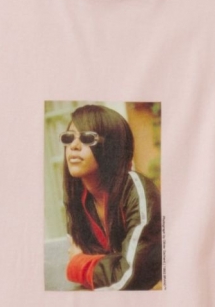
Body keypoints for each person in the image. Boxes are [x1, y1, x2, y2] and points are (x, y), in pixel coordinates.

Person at [60, 104, 162, 291]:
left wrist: (79, 265)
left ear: (111, 146)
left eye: (87, 138)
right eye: (68, 138)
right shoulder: (78, 199)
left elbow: (130, 277)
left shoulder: (136, 191)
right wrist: (110, 264)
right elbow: (101, 280)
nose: (73, 146)